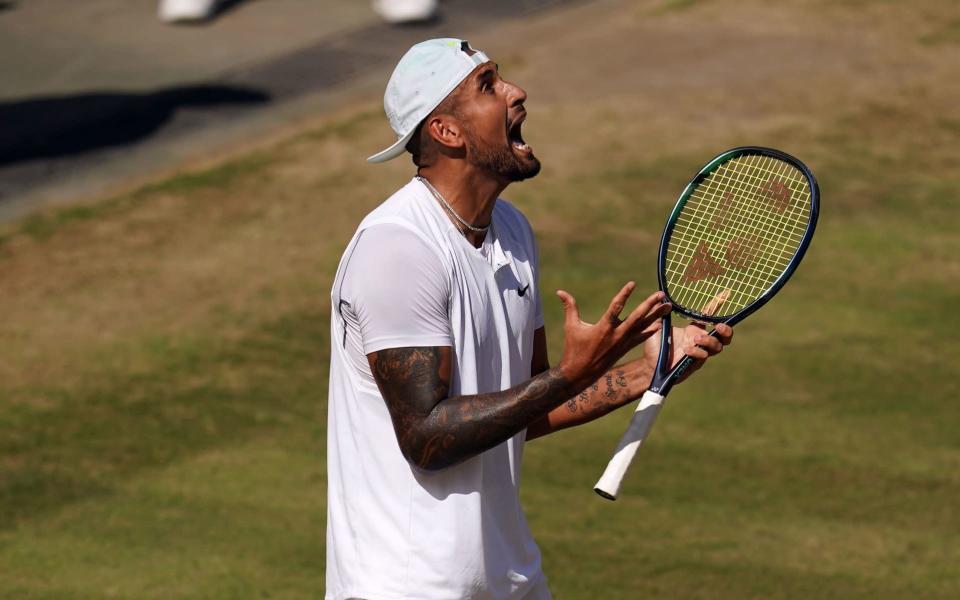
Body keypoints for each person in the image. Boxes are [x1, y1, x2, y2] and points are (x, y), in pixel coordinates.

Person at [326, 38, 733, 600]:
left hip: (508, 577)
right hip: (409, 584)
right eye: (488, 86)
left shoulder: (512, 233)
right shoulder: (398, 248)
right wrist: (571, 372)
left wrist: (648, 372)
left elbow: (528, 408)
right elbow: (426, 437)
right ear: (446, 130)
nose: (517, 92)